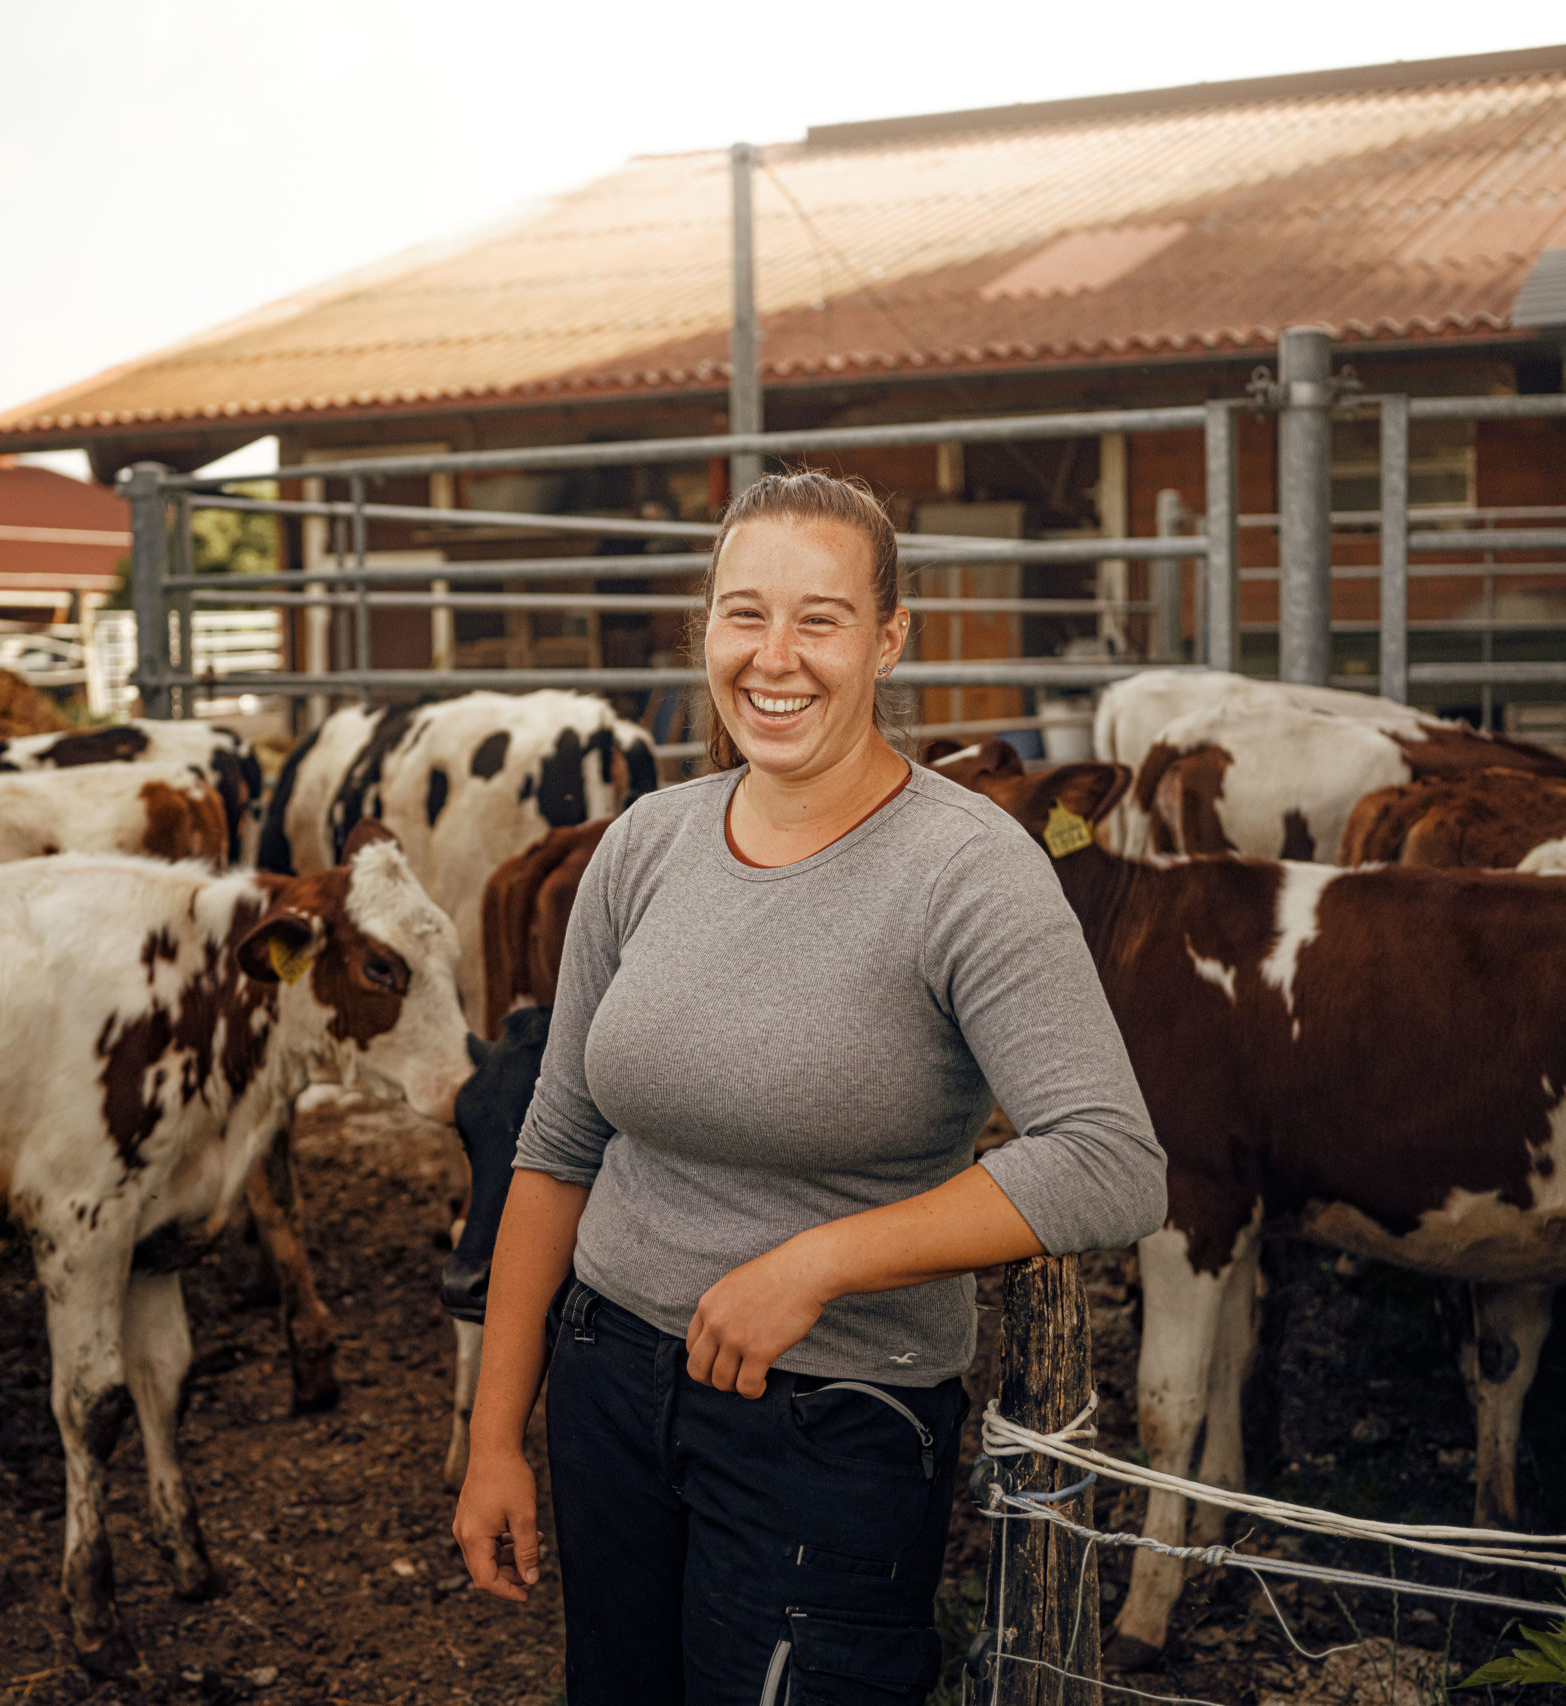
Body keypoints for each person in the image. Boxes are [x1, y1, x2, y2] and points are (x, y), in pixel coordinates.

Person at [451, 470, 1168, 1705]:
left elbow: (1110, 1158)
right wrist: (494, 1433)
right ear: (707, 629)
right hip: (608, 1385)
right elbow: (557, 1140)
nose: (773, 658)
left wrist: (818, 1261)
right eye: (744, 614)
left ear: (890, 638)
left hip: (830, 1420)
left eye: (820, 619)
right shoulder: (646, 844)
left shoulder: (965, 869)